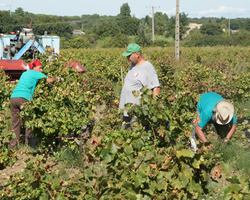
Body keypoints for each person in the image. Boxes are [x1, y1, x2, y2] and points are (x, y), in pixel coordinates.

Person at [9, 59, 63, 148]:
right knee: (30, 122)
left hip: (14, 97)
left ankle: (12, 146)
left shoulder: (25, 73)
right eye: (40, 68)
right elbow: (49, 80)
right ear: (34, 67)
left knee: (15, 123)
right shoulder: (36, 73)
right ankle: (29, 146)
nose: (41, 70)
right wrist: (58, 79)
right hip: (24, 98)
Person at [119, 43, 160, 129]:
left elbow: (155, 88)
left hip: (137, 113)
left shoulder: (147, 67)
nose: (127, 58)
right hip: (127, 112)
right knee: (124, 136)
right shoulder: (133, 66)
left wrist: (153, 109)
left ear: (137, 54)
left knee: (135, 136)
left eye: (129, 55)